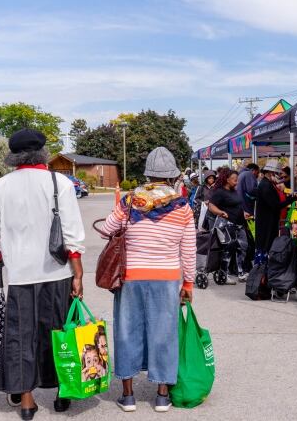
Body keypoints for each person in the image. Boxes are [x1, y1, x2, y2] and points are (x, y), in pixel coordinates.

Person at [0, 128, 86, 420]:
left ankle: (26, 401)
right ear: (43, 153)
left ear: (13, 155)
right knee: (60, 334)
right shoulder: (59, 183)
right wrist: (78, 274)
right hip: (57, 272)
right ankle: (63, 393)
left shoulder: (0, 186)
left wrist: (0, 255)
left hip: (20, 277)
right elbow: (72, 233)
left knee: (21, 337)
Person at [99, 146, 195, 414]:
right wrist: (188, 283)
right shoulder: (183, 207)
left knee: (127, 330)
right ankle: (162, 396)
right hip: (166, 279)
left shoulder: (130, 202)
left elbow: (106, 229)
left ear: (148, 174)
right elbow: (188, 250)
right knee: (164, 332)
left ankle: (128, 396)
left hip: (130, 277)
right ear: (173, 176)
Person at [252, 159, 297, 261]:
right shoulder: (266, 185)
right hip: (266, 223)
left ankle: (264, 271)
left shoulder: (268, 184)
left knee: (266, 246)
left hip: (268, 221)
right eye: (277, 173)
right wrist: (293, 198)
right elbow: (276, 205)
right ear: (271, 173)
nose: (279, 176)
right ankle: (263, 273)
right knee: (266, 247)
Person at [208, 169, 249, 284]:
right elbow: (211, 206)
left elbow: (237, 204)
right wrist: (220, 212)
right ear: (227, 179)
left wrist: (244, 213)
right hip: (226, 225)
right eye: (234, 180)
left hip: (239, 224)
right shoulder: (220, 192)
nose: (236, 182)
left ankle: (241, 273)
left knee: (243, 247)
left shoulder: (233, 191)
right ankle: (224, 275)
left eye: (237, 180)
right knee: (228, 250)